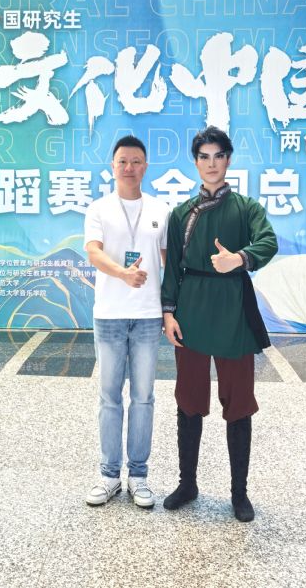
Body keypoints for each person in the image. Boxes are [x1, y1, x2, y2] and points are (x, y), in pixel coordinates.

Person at [161, 126, 278, 522]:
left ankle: (239, 494)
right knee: (188, 400)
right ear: (196, 163)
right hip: (191, 311)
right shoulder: (181, 213)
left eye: (218, 156)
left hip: (233, 312)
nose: (211, 164)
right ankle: (187, 483)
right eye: (203, 157)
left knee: (239, 403)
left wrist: (239, 259)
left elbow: (268, 242)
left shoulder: (246, 209)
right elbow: (172, 270)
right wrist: (168, 313)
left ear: (228, 160)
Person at [83, 135, 170, 508]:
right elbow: (93, 253)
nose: (129, 167)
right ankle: (108, 476)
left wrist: (172, 307)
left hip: (148, 316)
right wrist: (123, 274)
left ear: (145, 167)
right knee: (109, 397)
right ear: (112, 166)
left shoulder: (161, 209)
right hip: (110, 316)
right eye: (123, 161)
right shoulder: (99, 209)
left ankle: (138, 476)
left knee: (143, 398)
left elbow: (169, 261)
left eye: (136, 161)